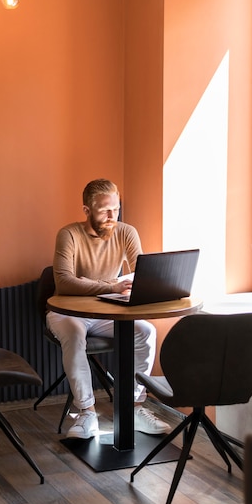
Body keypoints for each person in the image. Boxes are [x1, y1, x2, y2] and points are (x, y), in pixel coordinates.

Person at [46, 178, 171, 439]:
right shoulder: (68, 234)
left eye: (116, 208)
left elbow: (141, 272)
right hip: (66, 311)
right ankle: (86, 413)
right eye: (104, 210)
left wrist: (114, 286)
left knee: (145, 331)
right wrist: (109, 286)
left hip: (106, 310)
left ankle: (133, 407)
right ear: (87, 210)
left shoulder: (126, 232)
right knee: (74, 334)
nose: (112, 216)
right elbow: (64, 282)